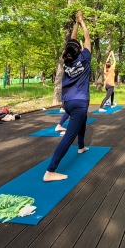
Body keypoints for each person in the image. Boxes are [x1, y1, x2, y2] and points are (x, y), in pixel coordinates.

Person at [44, 11, 91, 181]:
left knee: (82, 120)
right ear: (80, 50)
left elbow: (72, 42)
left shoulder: (67, 60)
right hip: (79, 103)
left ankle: (81, 146)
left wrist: (76, 24)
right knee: (68, 137)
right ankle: (50, 171)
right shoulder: (85, 59)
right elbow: (87, 39)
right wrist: (82, 22)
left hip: (68, 103)